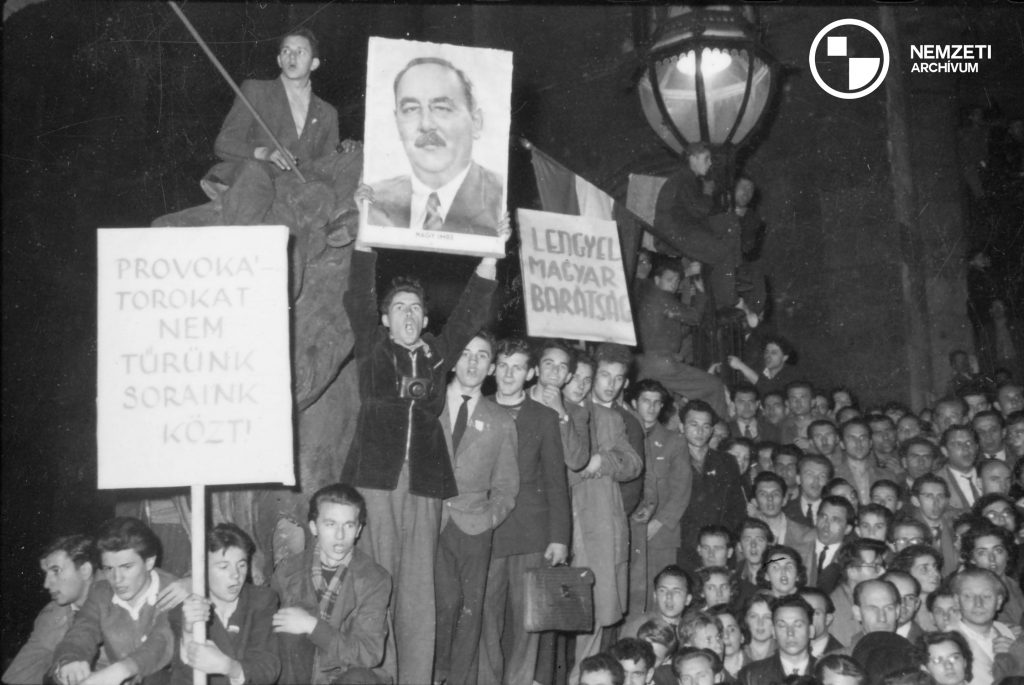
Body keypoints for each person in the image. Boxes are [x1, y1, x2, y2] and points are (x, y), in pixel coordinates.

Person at [340, 202, 509, 684]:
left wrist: (490, 255)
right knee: (377, 577)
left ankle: (414, 678)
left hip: (427, 484)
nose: (409, 315)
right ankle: (376, 676)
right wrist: (365, 231)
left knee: (418, 589)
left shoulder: (437, 354)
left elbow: (467, 315)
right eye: (399, 308)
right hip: (375, 479)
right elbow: (356, 296)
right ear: (386, 319)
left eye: (416, 308)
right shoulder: (374, 349)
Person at [479, 338, 570, 685]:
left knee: (527, 621)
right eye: (502, 365)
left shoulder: (544, 418)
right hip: (486, 530)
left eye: (517, 366)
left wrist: (559, 538)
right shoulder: (478, 407)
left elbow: (556, 482)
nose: (508, 373)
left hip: (532, 533)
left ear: (530, 373)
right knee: (485, 617)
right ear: (492, 369)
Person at [434, 333, 519, 685]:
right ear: (452, 360)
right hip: (429, 521)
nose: (472, 363)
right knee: (440, 603)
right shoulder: (429, 406)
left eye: (482, 356)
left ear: (491, 367)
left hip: (473, 528)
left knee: (470, 613)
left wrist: (488, 519)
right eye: (465, 354)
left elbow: (507, 487)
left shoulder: (500, 419)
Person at [204, 28, 340, 224]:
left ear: (314, 63)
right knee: (253, 172)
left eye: (300, 51)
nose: (291, 56)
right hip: (254, 186)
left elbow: (327, 166)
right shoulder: (255, 90)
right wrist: (266, 154)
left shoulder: (328, 113)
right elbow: (224, 143)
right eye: (286, 51)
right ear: (279, 60)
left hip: (296, 196)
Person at [563, 352, 643, 683]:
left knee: (593, 613)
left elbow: (634, 463)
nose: (610, 385)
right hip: (562, 522)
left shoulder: (613, 419)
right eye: (603, 376)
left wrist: (602, 462)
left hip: (598, 525)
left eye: (618, 379)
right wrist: (582, 465)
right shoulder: (559, 411)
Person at [367, 56, 503, 235]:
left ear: (476, 122)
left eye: (441, 108)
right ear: (397, 123)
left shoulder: (501, 200)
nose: (425, 125)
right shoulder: (373, 202)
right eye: (411, 109)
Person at [271, 483, 391, 685]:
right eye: (330, 524)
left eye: (349, 525)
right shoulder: (287, 572)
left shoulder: (374, 579)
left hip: (344, 675)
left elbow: (369, 653)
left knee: (359, 679)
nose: (340, 535)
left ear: (359, 529)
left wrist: (313, 626)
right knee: (286, 635)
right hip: (298, 674)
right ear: (313, 527)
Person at [52, 517, 177, 685]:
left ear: (149, 562)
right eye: (109, 568)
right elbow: (82, 632)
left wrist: (121, 671)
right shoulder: (100, 593)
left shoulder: (174, 590)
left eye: (126, 567)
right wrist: (69, 661)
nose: (117, 579)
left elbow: (161, 642)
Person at [170, 523, 280, 685]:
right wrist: (188, 633)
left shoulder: (262, 600)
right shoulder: (186, 610)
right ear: (202, 569)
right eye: (223, 567)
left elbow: (268, 669)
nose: (236, 575)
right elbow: (182, 679)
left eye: (241, 565)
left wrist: (228, 667)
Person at [634, 259, 728, 419]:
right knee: (714, 386)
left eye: (677, 281)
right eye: (669, 280)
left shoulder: (653, 300)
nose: (674, 284)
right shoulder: (661, 297)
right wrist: (701, 294)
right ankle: (720, 429)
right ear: (657, 280)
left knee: (665, 412)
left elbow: (678, 332)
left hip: (650, 363)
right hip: (663, 364)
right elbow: (694, 318)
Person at [3, 535, 98, 685]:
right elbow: (21, 673)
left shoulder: (117, 600)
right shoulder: (54, 613)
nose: (46, 584)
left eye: (56, 571)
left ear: (85, 570)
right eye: (46, 573)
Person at [630, 379, 691, 601]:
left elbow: (681, 489)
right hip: (627, 529)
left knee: (661, 596)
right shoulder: (621, 435)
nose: (652, 407)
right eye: (646, 401)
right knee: (629, 596)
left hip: (662, 532)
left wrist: (658, 523)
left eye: (657, 402)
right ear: (634, 402)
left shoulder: (674, 441)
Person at [676, 400, 747, 572]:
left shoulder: (726, 461)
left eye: (706, 426)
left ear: (712, 429)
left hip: (718, 548)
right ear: (681, 426)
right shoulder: (671, 461)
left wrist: (723, 541)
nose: (700, 432)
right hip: (681, 548)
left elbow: (737, 508)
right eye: (694, 425)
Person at [950, 567, 1016, 685]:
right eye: (968, 596)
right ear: (956, 601)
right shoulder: (946, 640)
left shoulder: (1006, 632)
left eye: (986, 596)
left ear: (999, 602)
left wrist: (1017, 655)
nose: (978, 604)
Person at [737, 595, 816, 683]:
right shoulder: (750, 675)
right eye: (782, 626)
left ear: (811, 631)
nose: (790, 633)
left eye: (798, 625)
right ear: (773, 632)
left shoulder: (825, 672)